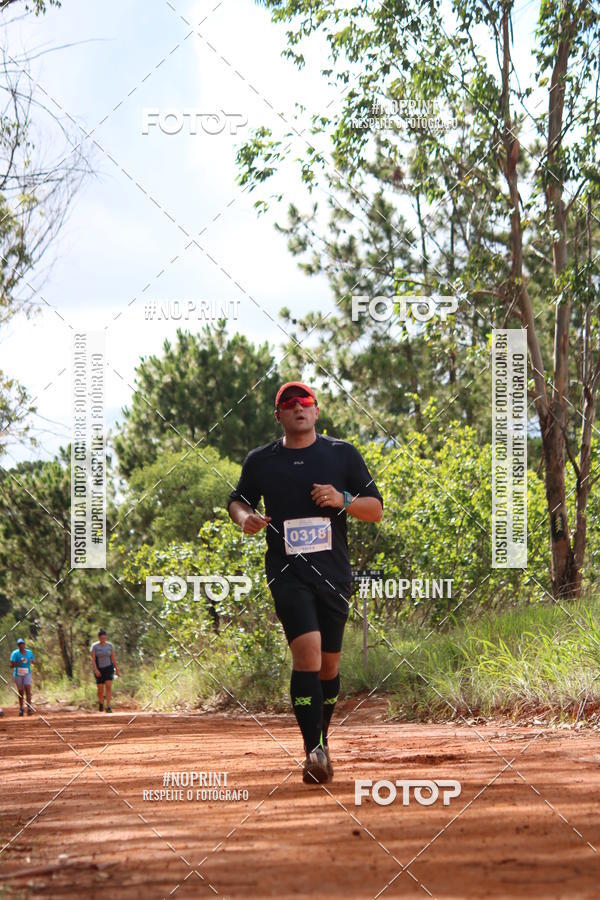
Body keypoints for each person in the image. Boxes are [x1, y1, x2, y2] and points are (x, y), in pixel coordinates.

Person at [228, 381, 383, 784]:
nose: (298, 407)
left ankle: (322, 739)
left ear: (316, 412)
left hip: (333, 575)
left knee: (329, 667)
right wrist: (245, 517)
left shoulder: (342, 454)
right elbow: (238, 499)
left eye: (305, 402)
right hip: (287, 573)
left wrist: (343, 499)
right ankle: (312, 751)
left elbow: (375, 510)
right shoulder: (261, 461)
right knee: (308, 655)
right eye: (289, 403)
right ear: (278, 414)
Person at [91, 629, 120, 713]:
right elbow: (93, 659)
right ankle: (101, 703)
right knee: (100, 689)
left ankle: (108, 706)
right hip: (99, 668)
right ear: (99, 638)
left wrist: (117, 669)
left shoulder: (110, 646)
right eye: (101, 638)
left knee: (108, 686)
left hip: (109, 668)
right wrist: (96, 669)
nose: (103, 639)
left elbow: (113, 658)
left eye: (104, 638)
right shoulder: (95, 646)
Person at [10, 638, 34, 717]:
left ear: (24, 645)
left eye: (22, 644)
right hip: (18, 674)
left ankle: (29, 708)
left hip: (27, 673)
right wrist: (19, 662)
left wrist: (30, 662)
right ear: (18, 646)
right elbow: (12, 665)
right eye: (20, 645)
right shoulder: (15, 653)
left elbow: (33, 662)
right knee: (20, 692)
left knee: (28, 689)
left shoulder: (29, 653)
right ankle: (21, 708)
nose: (21, 646)